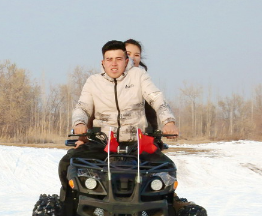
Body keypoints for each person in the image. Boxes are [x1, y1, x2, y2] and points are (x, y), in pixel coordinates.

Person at [58, 40, 178, 189]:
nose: (113, 64)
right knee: (67, 163)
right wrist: (79, 123)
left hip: (136, 142)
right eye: (109, 59)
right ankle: (67, 207)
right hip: (102, 142)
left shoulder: (138, 76)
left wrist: (169, 122)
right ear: (103, 62)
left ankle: (172, 206)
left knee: (166, 169)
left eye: (118, 59)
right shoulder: (93, 82)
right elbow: (82, 107)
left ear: (126, 61)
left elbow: (156, 98)